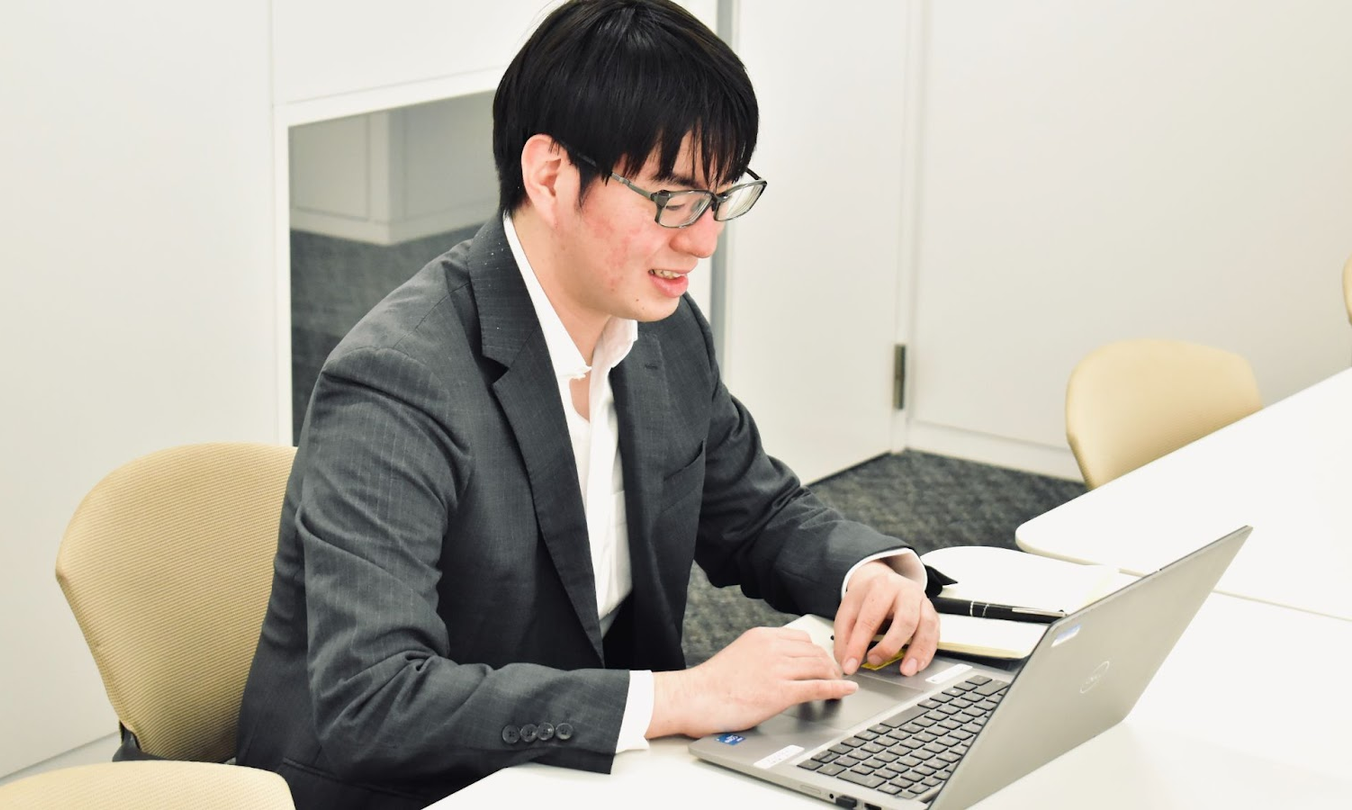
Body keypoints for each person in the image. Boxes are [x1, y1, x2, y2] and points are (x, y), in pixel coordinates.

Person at [237, 1, 941, 807]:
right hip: (417, 791)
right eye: (671, 198)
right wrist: (678, 698)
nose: (705, 239)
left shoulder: (664, 331)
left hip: (588, 770)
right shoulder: (398, 380)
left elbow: (757, 513)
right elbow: (376, 700)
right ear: (550, 176)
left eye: (721, 196)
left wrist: (867, 576)